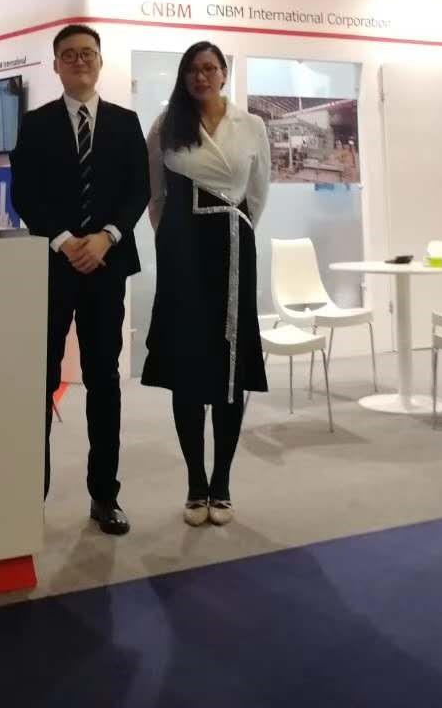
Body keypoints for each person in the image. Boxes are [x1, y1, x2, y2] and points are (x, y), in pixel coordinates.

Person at [9, 25, 149, 536]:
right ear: (56, 65)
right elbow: (25, 194)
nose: (79, 61)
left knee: (104, 379)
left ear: (99, 61)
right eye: (69, 55)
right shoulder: (36, 124)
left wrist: (107, 237)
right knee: (42, 378)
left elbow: (138, 190)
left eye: (87, 53)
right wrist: (66, 240)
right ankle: (32, 496)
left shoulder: (126, 123)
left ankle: (104, 495)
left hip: (107, 266)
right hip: (53, 265)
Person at [142, 41, 270, 527]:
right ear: (184, 75)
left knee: (229, 367)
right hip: (182, 252)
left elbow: (257, 191)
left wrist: (236, 228)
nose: (202, 76)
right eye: (193, 69)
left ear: (223, 74)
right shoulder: (166, 123)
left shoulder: (250, 125)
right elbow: (155, 193)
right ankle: (196, 483)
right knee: (187, 365)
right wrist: (172, 239)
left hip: (233, 249)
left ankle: (223, 483)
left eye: (210, 68)